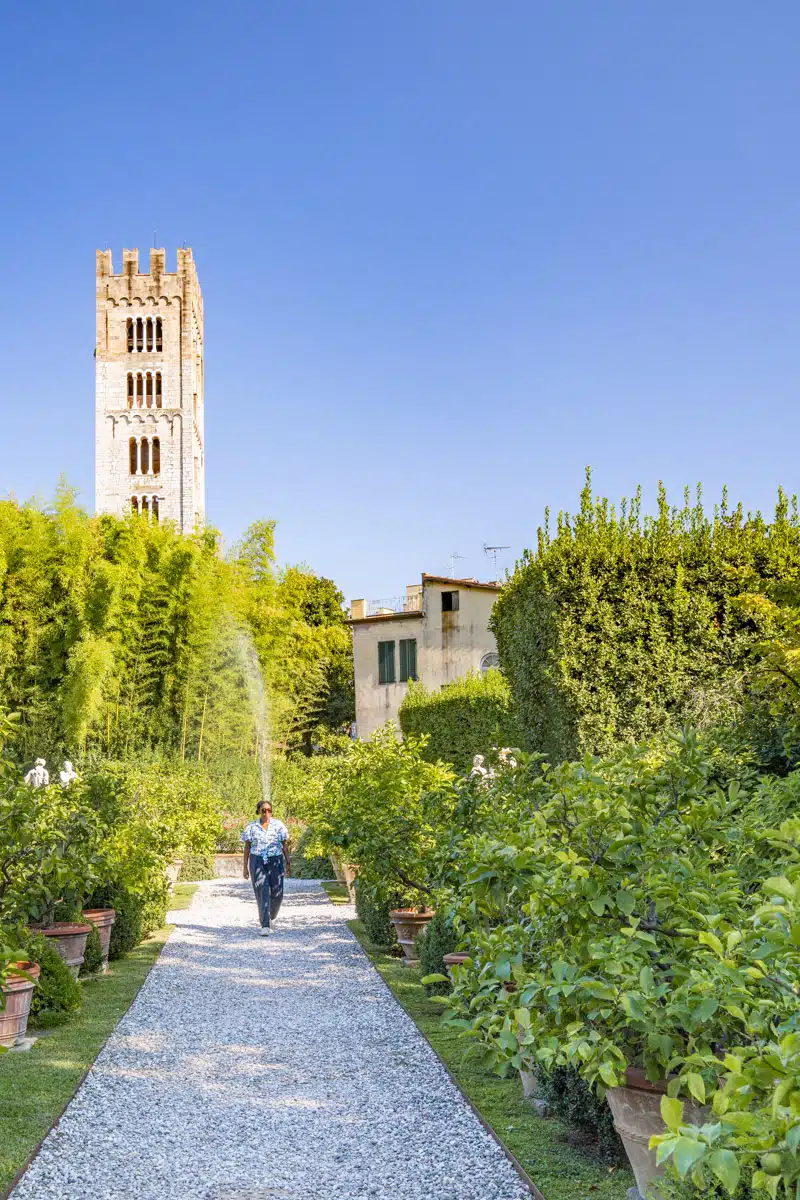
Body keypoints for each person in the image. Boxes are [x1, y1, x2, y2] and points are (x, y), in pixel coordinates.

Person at [240, 800, 291, 937]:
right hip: (257, 861)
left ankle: (271, 916)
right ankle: (265, 925)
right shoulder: (251, 827)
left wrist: (288, 863)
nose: (267, 813)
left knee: (278, 893)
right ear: (258, 811)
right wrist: (245, 867)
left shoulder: (279, 826)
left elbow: (285, 845)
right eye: (264, 810)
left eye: (269, 810)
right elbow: (247, 848)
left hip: (276, 861)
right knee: (262, 891)